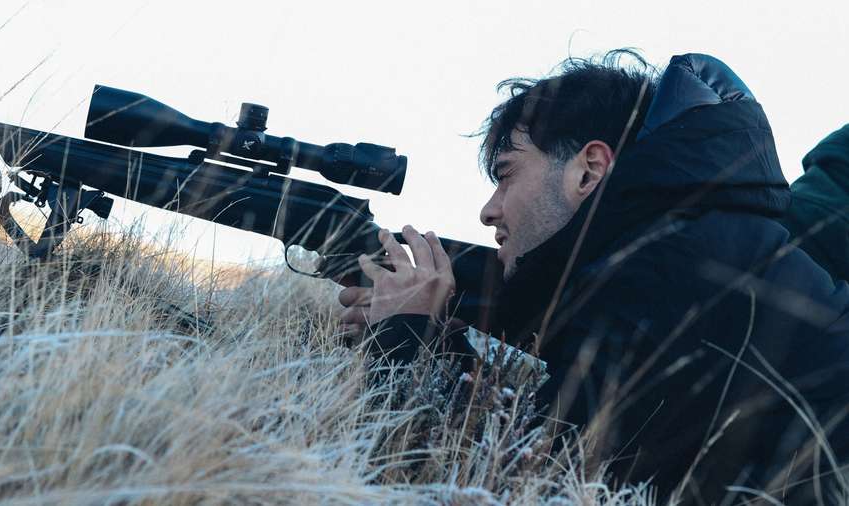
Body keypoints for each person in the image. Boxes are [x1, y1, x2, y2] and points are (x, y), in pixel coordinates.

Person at [336, 51, 849, 504]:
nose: (488, 212)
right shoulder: (683, 244)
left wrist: (404, 333)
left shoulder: (666, 269)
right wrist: (439, 333)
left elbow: (511, 483)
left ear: (589, 169)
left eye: (507, 174)